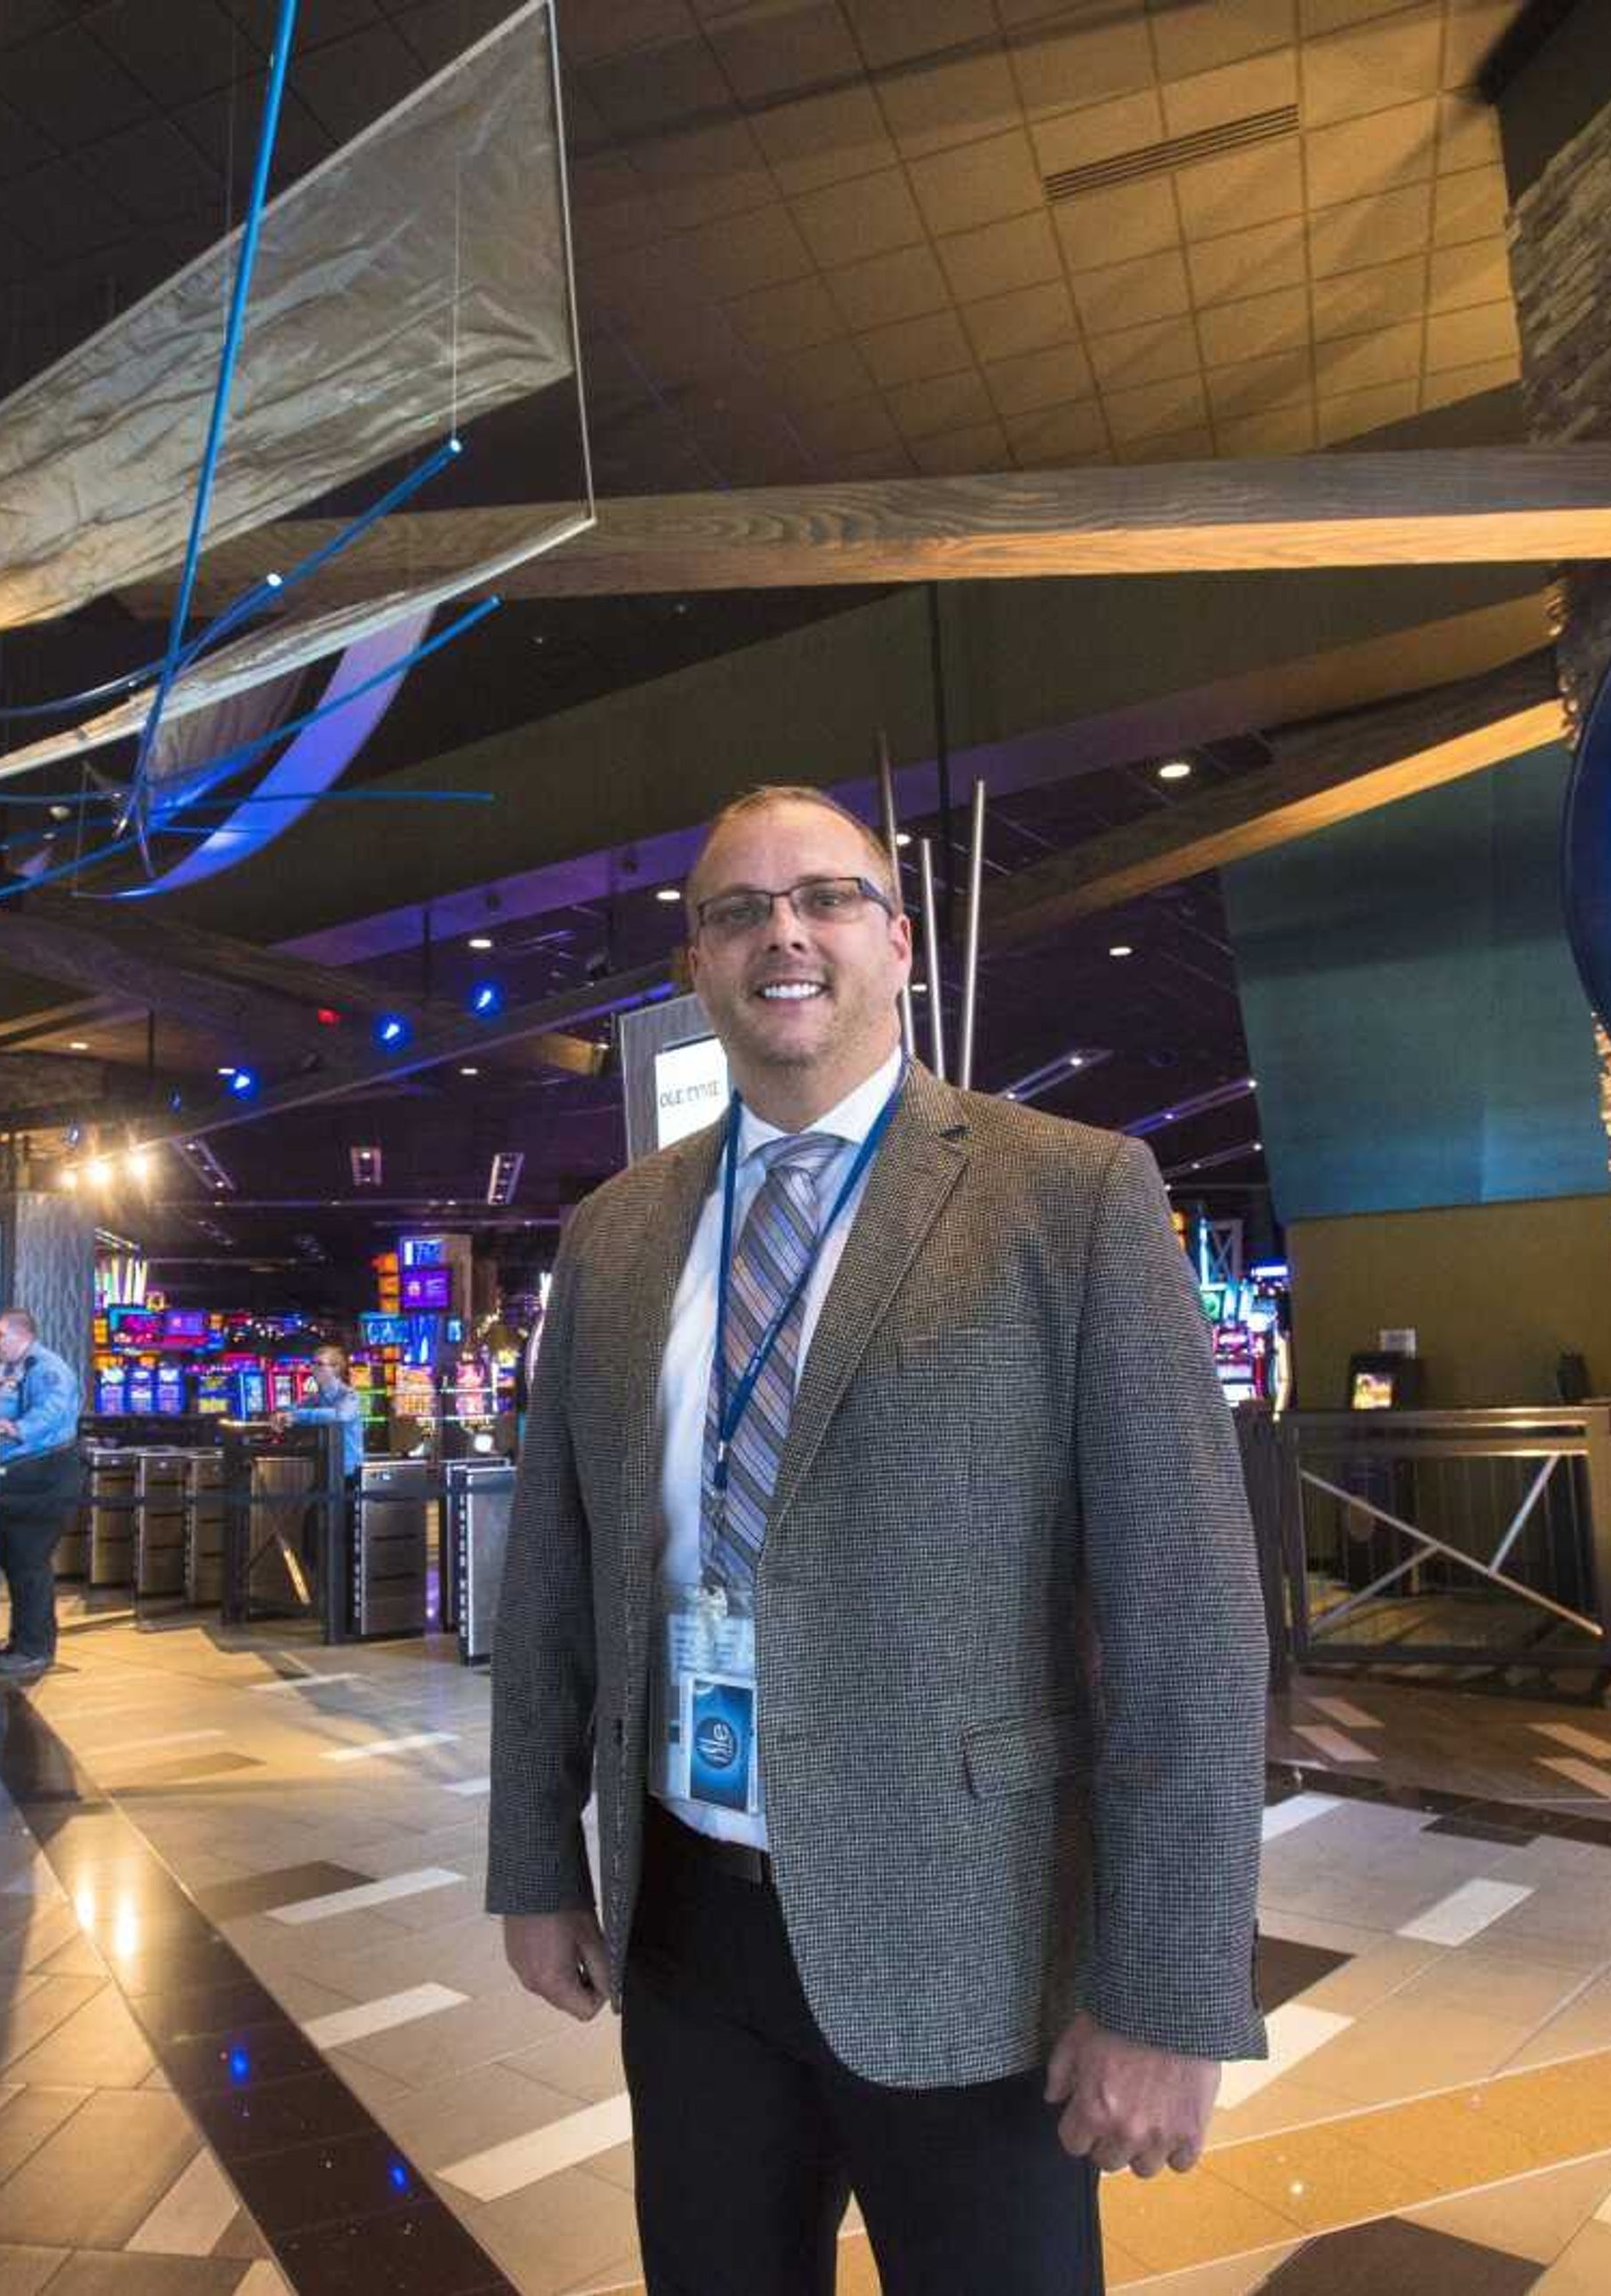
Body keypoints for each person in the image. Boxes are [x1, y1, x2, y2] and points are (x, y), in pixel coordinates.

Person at [485, 787, 1267, 2295]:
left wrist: (1166, 1991)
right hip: (692, 1936)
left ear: (896, 943)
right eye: (736, 909)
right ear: (698, 969)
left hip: (972, 1933)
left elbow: (1187, 1617)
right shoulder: (619, 1235)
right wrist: (535, 1856)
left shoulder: (1073, 1195)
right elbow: (560, 1578)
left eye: (826, 897)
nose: (782, 931)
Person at [0, 1308, 82, 1681]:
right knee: (14, 1561)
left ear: (22, 1335)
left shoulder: (47, 1368)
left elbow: (49, 1416)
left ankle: (35, 1650)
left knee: (29, 1562)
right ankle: (20, 1642)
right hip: (16, 1477)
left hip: (45, 1475)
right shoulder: (8, 1370)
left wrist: (12, 1428)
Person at [277, 1345, 368, 1485]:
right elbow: (292, 1410)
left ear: (335, 1368)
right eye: (312, 1364)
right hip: (325, 1468)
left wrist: (297, 1416)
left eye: (319, 1364)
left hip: (347, 1473)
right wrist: (281, 1415)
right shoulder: (316, 1397)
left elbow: (340, 1416)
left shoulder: (349, 1395)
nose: (313, 1368)